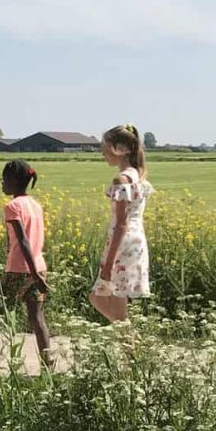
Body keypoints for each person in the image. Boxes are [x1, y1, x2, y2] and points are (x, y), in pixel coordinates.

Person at [0, 160, 52, 368]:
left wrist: (32, 272)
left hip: (19, 269)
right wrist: (37, 273)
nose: (2, 183)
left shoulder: (12, 206)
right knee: (37, 317)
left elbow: (23, 240)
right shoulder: (35, 205)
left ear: (14, 180)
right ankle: (47, 365)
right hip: (39, 266)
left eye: (4, 179)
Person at [89, 123, 154, 323]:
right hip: (135, 240)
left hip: (123, 242)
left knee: (107, 299)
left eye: (106, 147)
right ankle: (127, 335)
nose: (103, 152)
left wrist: (108, 264)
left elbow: (121, 224)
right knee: (101, 296)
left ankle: (128, 338)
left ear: (120, 149)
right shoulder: (137, 175)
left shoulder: (122, 180)